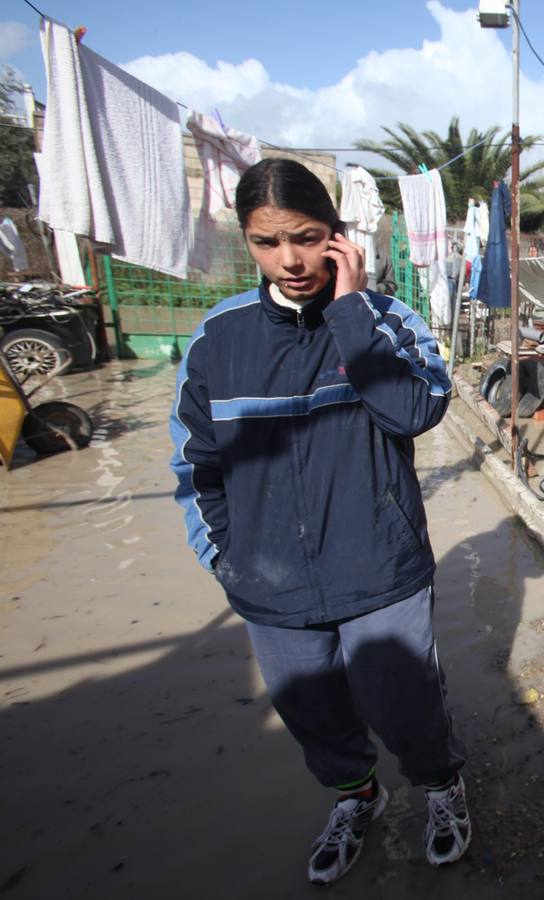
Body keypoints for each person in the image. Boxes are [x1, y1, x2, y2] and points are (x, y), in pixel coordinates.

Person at [169, 158, 470, 886]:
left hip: (380, 569)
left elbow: (417, 410)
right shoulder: (220, 336)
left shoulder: (386, 320)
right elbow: (194, 463)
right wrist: (226, 557)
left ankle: (441, 788)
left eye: (307, 237)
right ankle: (354, 796)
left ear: (338, 235)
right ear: (247, 242)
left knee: (406, 706)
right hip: (270, 583)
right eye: (268, 243)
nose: (292, 260)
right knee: (315, 715)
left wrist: (350, 311)